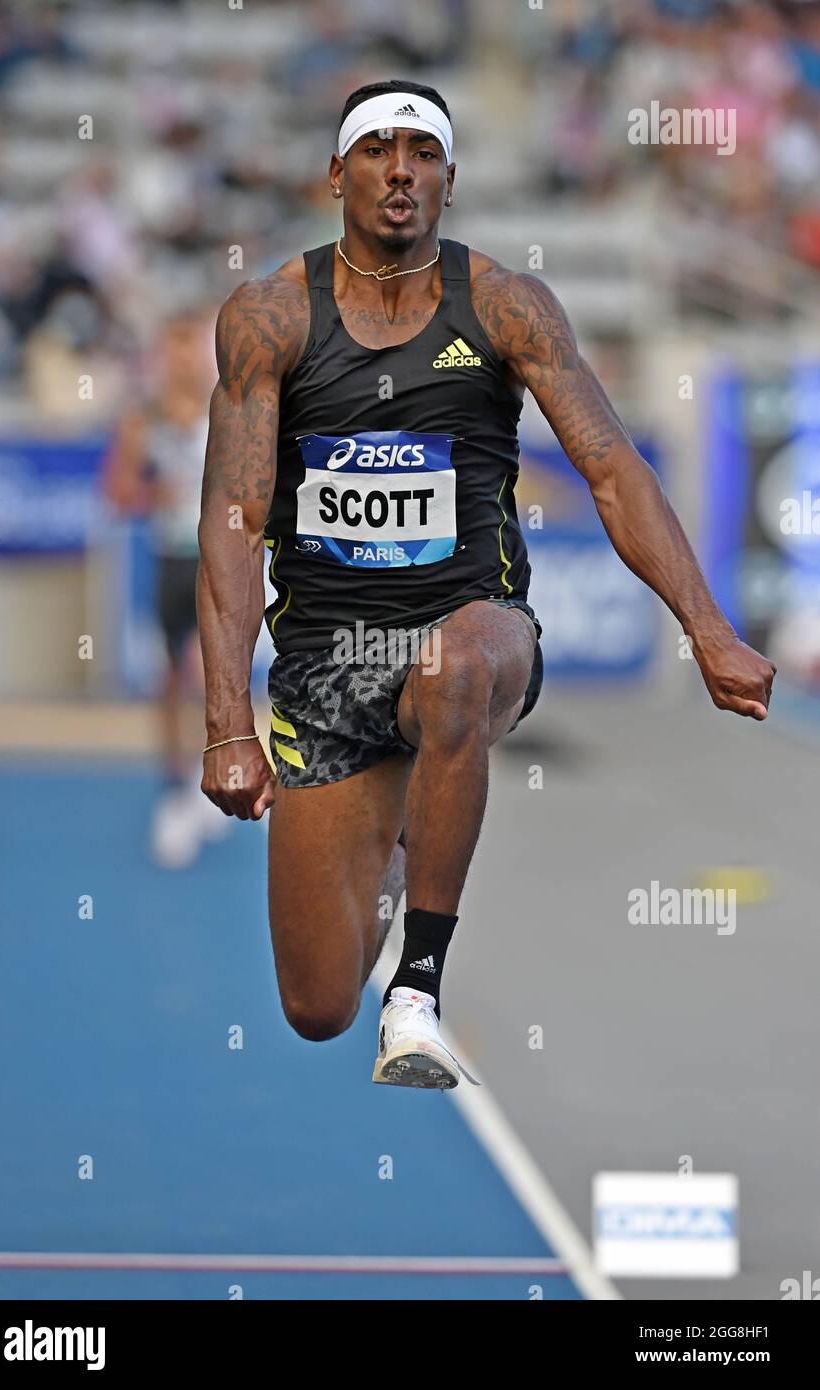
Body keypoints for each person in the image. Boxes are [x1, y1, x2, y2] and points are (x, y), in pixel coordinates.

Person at [197, 80, 775, 1088]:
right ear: (336, 172)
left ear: (449, 180)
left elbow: (610, 468)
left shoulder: (505, 304)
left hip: (474, 623)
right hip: (328, 665)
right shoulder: (268, 317)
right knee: (315, 1004)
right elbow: (236, 520)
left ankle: (416, 992)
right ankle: (392, 839)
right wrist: (224, 723)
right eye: (376, 150)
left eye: (421, 154)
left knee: (456, 667)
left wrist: (706, 627)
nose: (398, 171)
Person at [104, 308, 226, 867]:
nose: (183, 360)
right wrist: (159, 495)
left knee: (208, 672)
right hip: (168, 560)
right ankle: (173, 788)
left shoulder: (226, 408)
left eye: (191, 349)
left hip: (215, 560)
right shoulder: (143, 418)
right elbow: (117, 492)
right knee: (170, 680)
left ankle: (216, 773)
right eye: (173, 350)